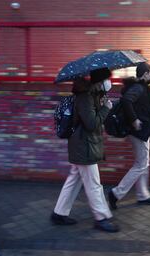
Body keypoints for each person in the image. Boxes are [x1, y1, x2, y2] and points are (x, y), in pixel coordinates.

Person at [51, 68, 119, 233]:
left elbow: (92, 120)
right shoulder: (85, 97)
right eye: (108, 79)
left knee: (74, 180)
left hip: (83, 145)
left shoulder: (91, 95)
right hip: (84, 146)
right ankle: (101, 218)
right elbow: (91, 124)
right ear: (100, 81)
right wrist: (105, 108)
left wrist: (102, 104)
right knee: (94, 184)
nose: (110, 83)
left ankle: (59, 213)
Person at [108, 62, 150, 209]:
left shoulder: (142, 87)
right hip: (139, 131)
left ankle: (143, 195)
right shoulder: (138, 88)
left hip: (144, 130)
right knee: (141, 164)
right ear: (144, 74)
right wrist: (134, 120)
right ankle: (116, 193)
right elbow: (126, 100)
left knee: (144, 164)